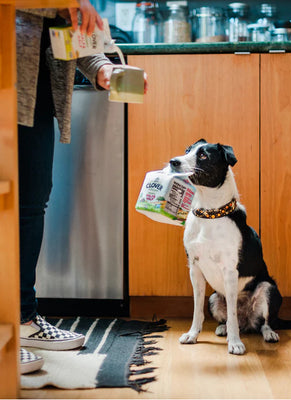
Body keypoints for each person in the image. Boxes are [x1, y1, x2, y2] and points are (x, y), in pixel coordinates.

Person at [16, 1, 140, 374]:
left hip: (31, 89)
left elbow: (64, 29)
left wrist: (103, 68)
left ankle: (20, 318)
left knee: (29, 202)